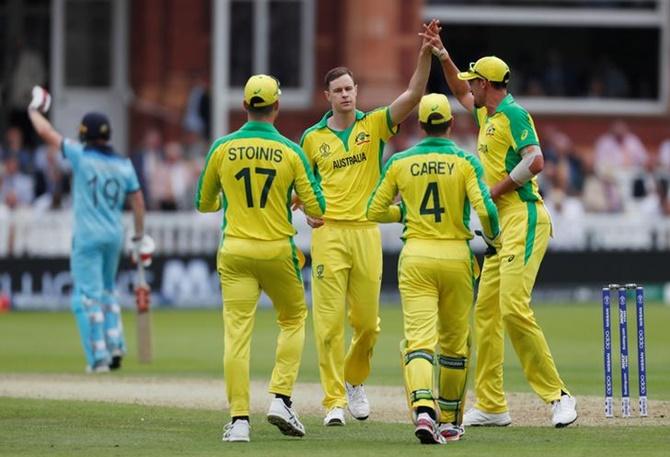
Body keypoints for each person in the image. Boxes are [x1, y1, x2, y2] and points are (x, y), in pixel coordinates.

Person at [422, 25, 577, 428]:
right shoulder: (487, 113)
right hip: (500, 228)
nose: (469, 86)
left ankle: (558, 396)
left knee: (511, 307)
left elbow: (536, 160)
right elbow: (457, 89)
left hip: (524, 217)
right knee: (486, 314)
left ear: (487, 83)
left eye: (475, 81)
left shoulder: (513, 114)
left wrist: (494, 190)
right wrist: (441, 54)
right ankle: (491, 404)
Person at [298, 24, 434, 426]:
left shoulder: (373, 124)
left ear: (356, 91)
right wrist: (305, 207)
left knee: (368, 326)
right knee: (326, 327)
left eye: (349, 89)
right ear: (327, 96)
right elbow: (303, 184)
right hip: (328, 235)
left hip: (365, 234)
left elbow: (412, 96)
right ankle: (333, 401)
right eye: (338, 90)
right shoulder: (312, 138)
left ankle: (354, 380)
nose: (344, 94)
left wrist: (424, 55)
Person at [195, 74, 326, 443]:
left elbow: (203, 203)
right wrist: (295, 204)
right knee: (294, 318)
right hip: (277, 250)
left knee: (237, 336)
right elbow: (317, 206)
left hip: (235, 251)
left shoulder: (222, 147)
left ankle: (238, 422)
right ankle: (280, 397)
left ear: (244, 107)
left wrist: (230, 202)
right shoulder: (290, 151)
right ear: (277, 106)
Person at [367, 93, 500, 444]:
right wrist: (494, 237)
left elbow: (374, 211)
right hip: (457, 256)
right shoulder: (465, 161)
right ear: (451, 124)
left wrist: (405, 213)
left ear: (421, 124)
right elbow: (486, 209)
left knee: (419, 341)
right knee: (455, 344)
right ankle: (451, 422)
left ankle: (424, 410)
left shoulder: (400, 162)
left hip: (417, 257)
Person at [26, 86, 154, 373]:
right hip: (114, 236)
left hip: (87, 236)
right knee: (108, 291)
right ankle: (116, 343)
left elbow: (47, 133)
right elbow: (138, 202)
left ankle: (98, 358)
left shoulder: (80, 154)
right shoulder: (124, 164)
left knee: (85, 296)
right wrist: (138, 235)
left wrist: (34, 111)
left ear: (85, 134)